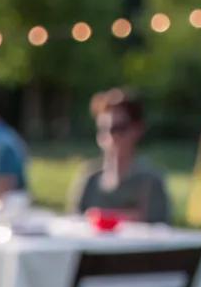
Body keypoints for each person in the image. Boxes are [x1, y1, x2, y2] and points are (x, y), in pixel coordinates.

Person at [69, 88, 170, 223]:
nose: (111, 137)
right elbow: (74, 225)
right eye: (104, 129)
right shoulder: (89, 178)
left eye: (119, 128)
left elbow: (161, 232)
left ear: (138, 129)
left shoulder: (151, 182)